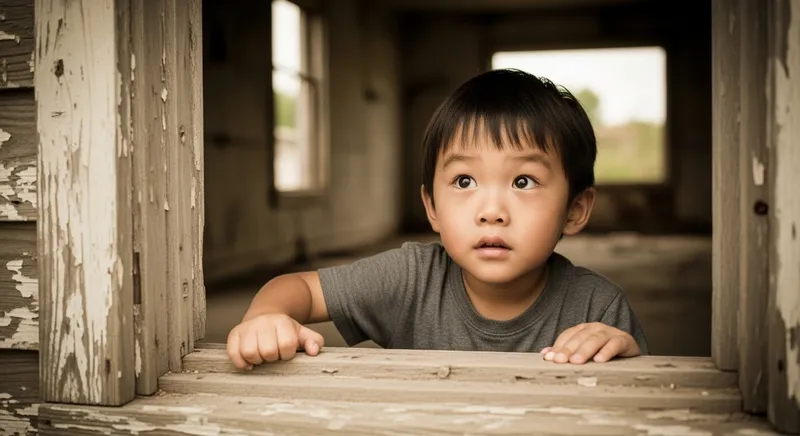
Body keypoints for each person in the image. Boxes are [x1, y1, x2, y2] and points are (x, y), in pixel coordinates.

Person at [226, 68, 649, 370]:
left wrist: (622, 351)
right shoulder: (411, 278)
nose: (491, 212)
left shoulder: (597, 306)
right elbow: (295, 287)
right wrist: (266, 319)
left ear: (574, 210)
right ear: (432, 208)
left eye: (523, 181)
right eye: (464, 180)